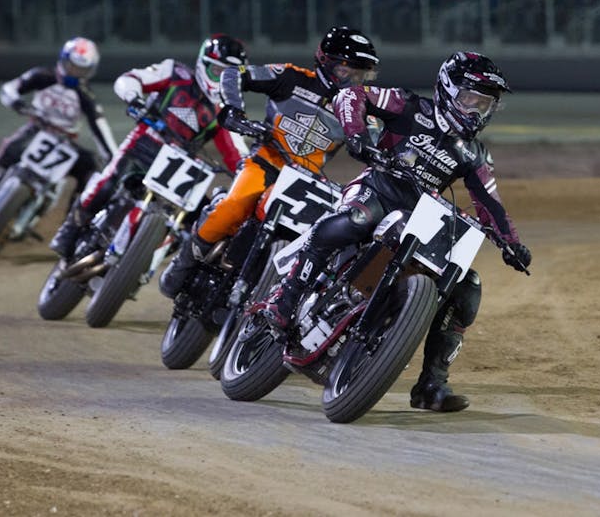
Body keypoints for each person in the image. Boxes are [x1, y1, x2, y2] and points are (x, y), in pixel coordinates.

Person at [258, 51, 532, 413]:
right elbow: (351, 95)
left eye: (485, 105)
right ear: (448, 89)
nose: (476, 112)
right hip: (375, 192)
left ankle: (431, 385)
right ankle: (286, 297)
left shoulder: (474, 154)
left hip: (420, 222)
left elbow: (490, 203)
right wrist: (357, 136)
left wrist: (511, 243)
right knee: (357, 220)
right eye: (471, 100)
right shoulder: (408, 105)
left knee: (468, 286)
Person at [158, 25, 380, 299]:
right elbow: (234, 73)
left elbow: (380, 144)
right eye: (349, 71)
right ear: (327, 62)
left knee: (319, 241)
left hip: (308, 183)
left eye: (362, 74)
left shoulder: (356, 110)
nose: (355, 80)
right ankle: (184, 262)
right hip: (266, 163)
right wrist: (233, 111)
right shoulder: (290, 77)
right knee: (232, 207)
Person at [48, 34, 249, 260]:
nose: (220, 79)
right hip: (145, 143)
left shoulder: (224, 111)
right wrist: (134, 97)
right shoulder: (176, 73)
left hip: (180, 166)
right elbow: (130, 79)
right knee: (108, 182)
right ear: (203, 64)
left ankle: (159, 260)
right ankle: (70, 229)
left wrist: (247, 171)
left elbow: (236, 152)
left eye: (227, 74)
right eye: (217, 71)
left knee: (198, 222)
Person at [0, 37, 117, 203]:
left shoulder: (86, 96)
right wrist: (16, 103)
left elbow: (100, 126)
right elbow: (10, 88)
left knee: (91, 166)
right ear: (64, 61)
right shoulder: (43, 76)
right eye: (73, 67)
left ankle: (76, 211)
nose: (75, 73)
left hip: (66, 141)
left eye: (81, 70)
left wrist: (113, 157)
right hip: (38, 128)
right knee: (11, 146)